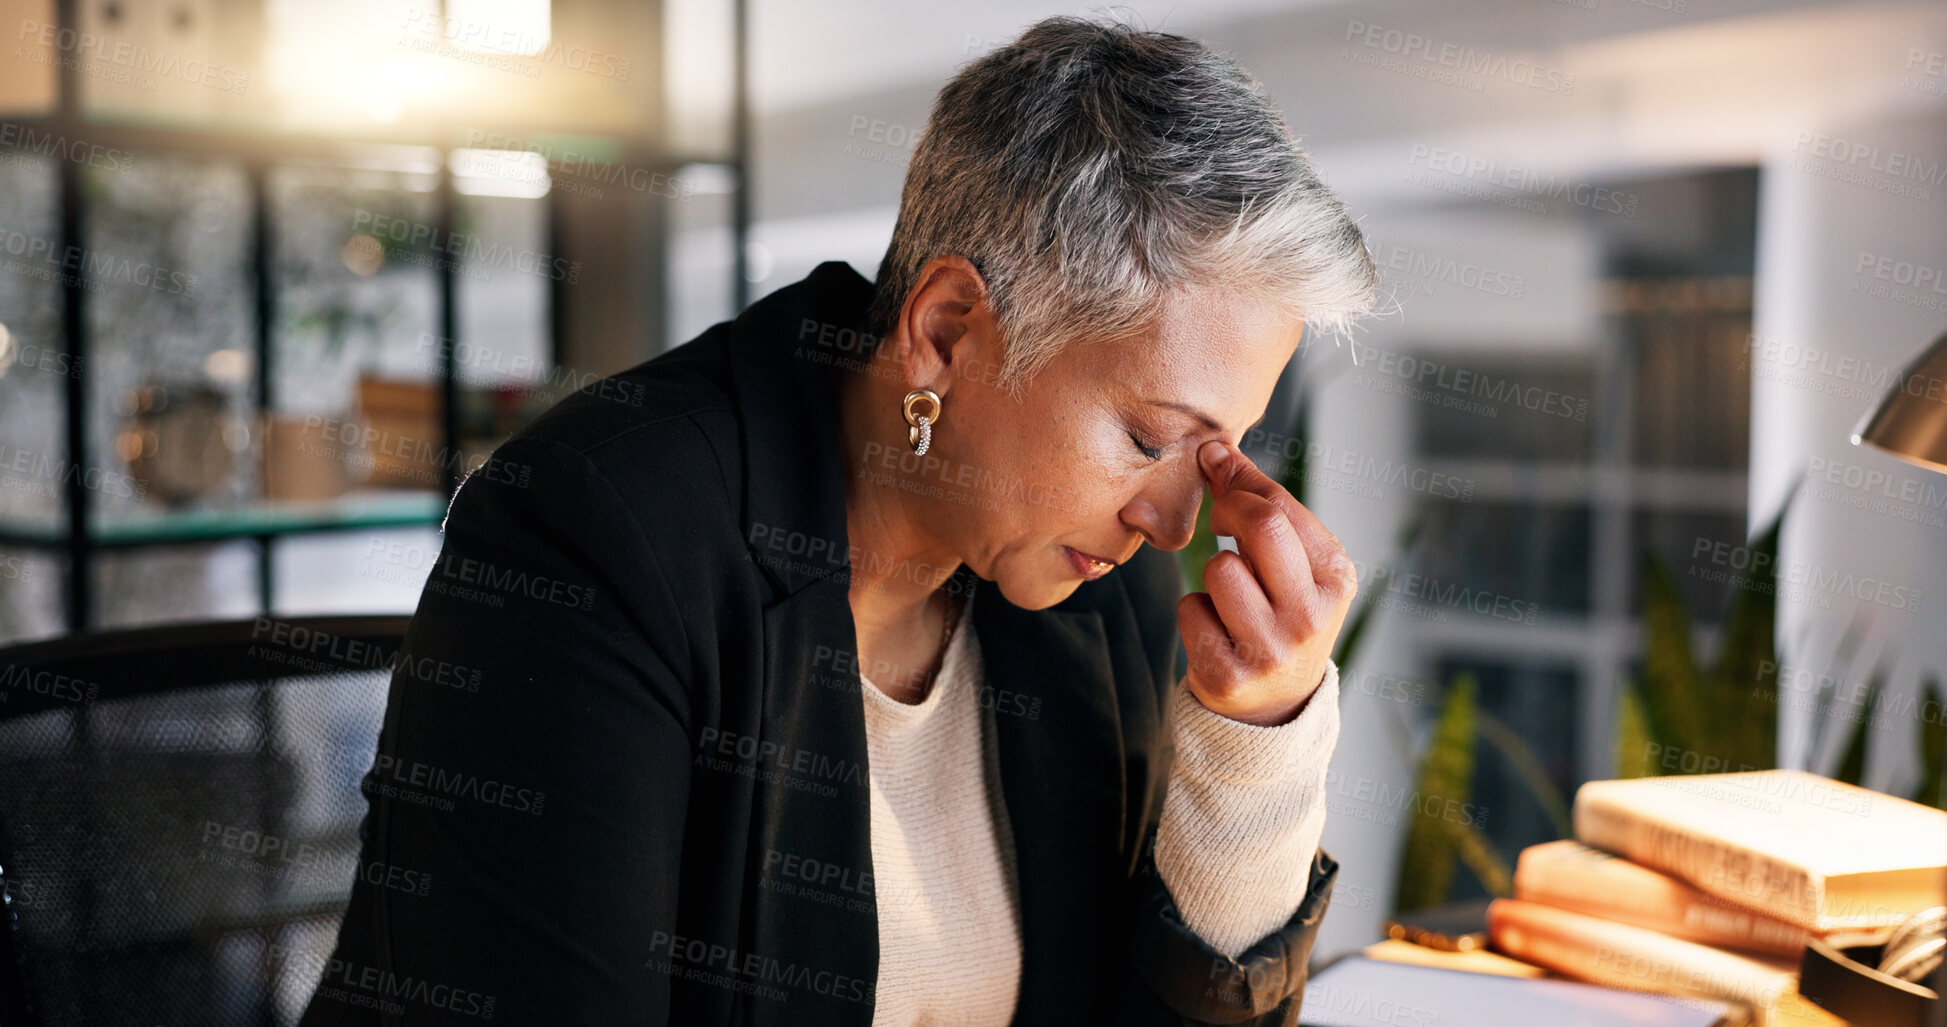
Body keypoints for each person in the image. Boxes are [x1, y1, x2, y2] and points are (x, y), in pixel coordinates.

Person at [301, 15, 1378, 1026]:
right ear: (946, 333)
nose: (1176, 516)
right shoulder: (595, 537)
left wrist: (1255, 741)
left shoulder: (1099, 586)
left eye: (1213, 450)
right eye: (1149, 437)